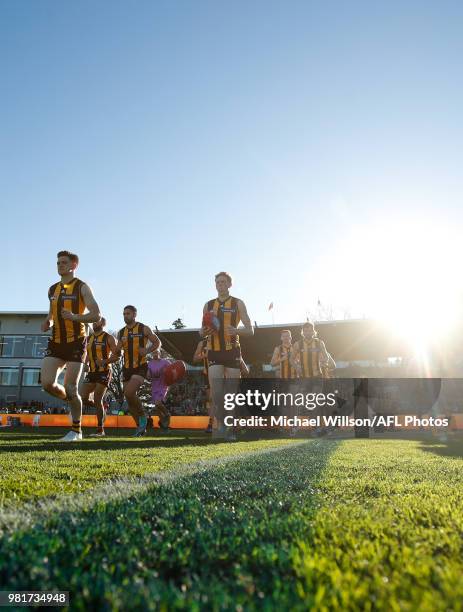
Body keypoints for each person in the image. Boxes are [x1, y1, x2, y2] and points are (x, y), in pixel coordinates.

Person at [41, 250, 101, 442]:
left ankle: (76, 431)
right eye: (58, 262)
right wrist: (47, 323)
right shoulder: (52, 290)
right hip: (56, 342)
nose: (60, 265)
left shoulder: (82, 287)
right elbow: (51, 315)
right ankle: (72, 400)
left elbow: (96, 315)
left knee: (70, 386)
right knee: (47, 383)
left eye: (64, 262)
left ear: (74, 265)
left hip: (76, 341)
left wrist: (75, 317)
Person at [201, 272, 253, 440]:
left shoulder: (238, 303)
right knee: (216, 393)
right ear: (215, 285)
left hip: (232, 352)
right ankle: (223, 424)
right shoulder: (208, 305)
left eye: (223, 282)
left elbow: (250, 330)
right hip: (214, 351)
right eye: (218, 282)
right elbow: (201, 330)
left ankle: (229, 429)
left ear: (230, 284)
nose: (220, 284)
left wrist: (236, 330)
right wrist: (205, 331)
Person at [106, 305, 161, 436]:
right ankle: (140, 428)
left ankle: (143, 416)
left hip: (140, 366)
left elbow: (157, 342)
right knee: (129, 400)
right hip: (126, 368)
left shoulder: (143, 328)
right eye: (124, 314)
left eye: (128, 314)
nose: (125, 316)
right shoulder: (121, 332)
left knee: (130, 392)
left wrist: (147, 351)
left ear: (134, 315)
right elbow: (118, 351)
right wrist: (114, 353)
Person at [81, 317, 116, 437]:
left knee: (97, 398)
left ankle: (100, 430)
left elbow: (118, 355)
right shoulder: (88, 338)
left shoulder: (109, 337)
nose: (94, 323)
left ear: (103, 323)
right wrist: (85, 364)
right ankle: (101, 406)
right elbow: (87, 355)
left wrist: (104, 361)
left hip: (104, 371)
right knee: (82, 398)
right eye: (93, 321)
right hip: (92, 373)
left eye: (97, 321)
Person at [146, 348, 172, 432]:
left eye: (156, 352)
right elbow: (148, 375)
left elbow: (172, 370)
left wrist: (167, 372)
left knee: (158, 403)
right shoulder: (149, 364)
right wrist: (148, 374)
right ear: (151, 354)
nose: (155, 354)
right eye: (153, 352)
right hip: (154, 386)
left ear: (159, 353)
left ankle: (167, 414)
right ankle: (164, 425)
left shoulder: (165, 362)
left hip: (163, 385)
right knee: (157, 408)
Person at [193, 338, 213, 433]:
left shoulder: (223, 338)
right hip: (208, 375)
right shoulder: (202, 343)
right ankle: (211, 423)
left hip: (222, 373)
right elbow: (195, 358)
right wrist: (204, 355)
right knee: (210, 400)